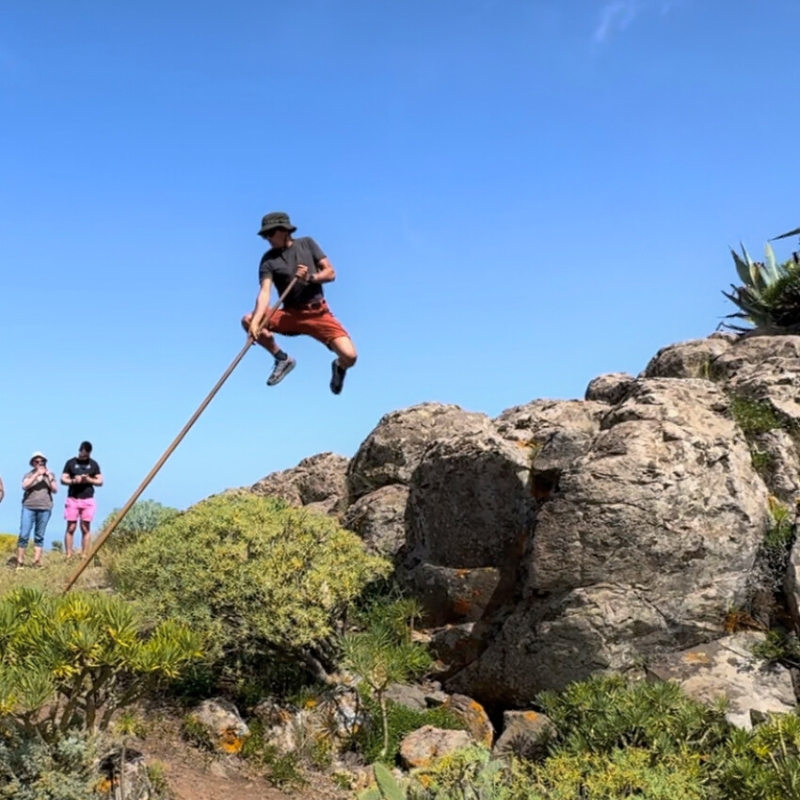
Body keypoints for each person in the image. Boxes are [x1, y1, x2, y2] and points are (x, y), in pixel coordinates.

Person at [241, 211, 357, 395]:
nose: (268, 238)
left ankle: (339, 367)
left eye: (270, 233)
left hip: (318, 313)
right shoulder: (268, 260)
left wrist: (310, 278)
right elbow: (264, 292)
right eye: (265, 235)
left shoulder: (307, 244)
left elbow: (330, 273)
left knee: (350, 356)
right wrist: (255, 324)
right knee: (248, 319)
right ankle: (282, 358)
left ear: (284, 230)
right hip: (291, 315)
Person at [61, 441, 103, 559]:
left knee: (85, 527)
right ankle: (68, 554)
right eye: (82, 453)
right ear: (79, 451)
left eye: (86, 454)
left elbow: (100, 481)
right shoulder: (71, 463)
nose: (84, 456)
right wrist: (74, 481)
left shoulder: (94, 464)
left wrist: (89, 480)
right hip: (73, 498)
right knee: (71, 527)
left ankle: (84, 554)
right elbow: (63, 479)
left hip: (88, 499)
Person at [17, 452, 58, 568]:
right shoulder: (28, 474)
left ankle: (36, 561)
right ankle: (20, 561)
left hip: (45, 507)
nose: (40, 464)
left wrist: (49, 477)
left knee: (39, 535)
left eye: (42, 462)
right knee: (24, 534)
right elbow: (25, 486)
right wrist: (36, 476)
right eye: (37, 462)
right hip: (29, 506)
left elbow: (55, 490)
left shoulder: (50, 475)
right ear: (33, 464)